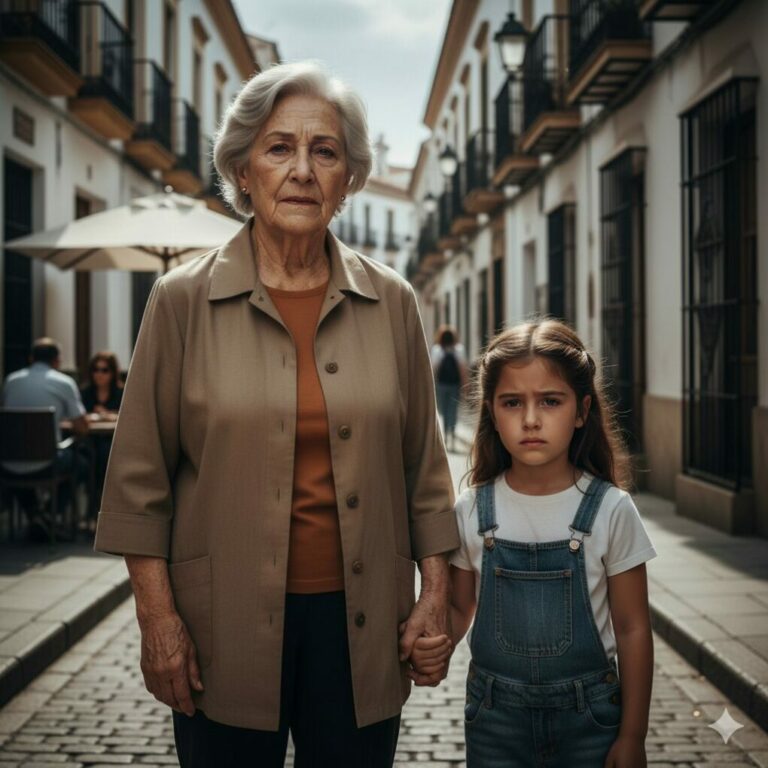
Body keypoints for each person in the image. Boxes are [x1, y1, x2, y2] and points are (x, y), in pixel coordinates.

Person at [94, 61, 459, 768]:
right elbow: (139, 482)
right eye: (278, 148)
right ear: (242, 169)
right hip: (221, 626)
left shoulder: (392, 302)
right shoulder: (181, 300)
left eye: (324, 151)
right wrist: (158, 620)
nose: (301, 170)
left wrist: (434, 595)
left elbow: (426, 472)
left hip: (363, 625)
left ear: (349, 177)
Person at [410, 319, 657, 767]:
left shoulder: (611, 510)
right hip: (494, 721)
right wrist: (435, 641)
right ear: (491, 411)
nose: (530, 419)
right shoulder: (472, 510)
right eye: (511, 402)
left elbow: (633, 628)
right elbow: (461, 608)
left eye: (550, 401)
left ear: (581, 411)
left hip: (591, 722)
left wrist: (633, 735)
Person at [1, 338, 89, 539]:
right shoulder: (64, 382)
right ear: (57, 361)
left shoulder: (11, 380)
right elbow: (82, 427)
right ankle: (49, 514)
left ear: (31, 358)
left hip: (8, 463)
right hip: (47, 463)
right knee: (83, 464)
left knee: (23, 460)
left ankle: (35, 515)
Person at [431, 325, 467, 451]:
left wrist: (432, 384)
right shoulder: (458, 349)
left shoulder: (437, 350)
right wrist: (464, 385)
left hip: (441, 385)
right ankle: (452, 434)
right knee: (453, 409)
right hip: (454, 385)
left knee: (443, 410)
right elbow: (462, 369)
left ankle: (445, 435)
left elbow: (434, 369)